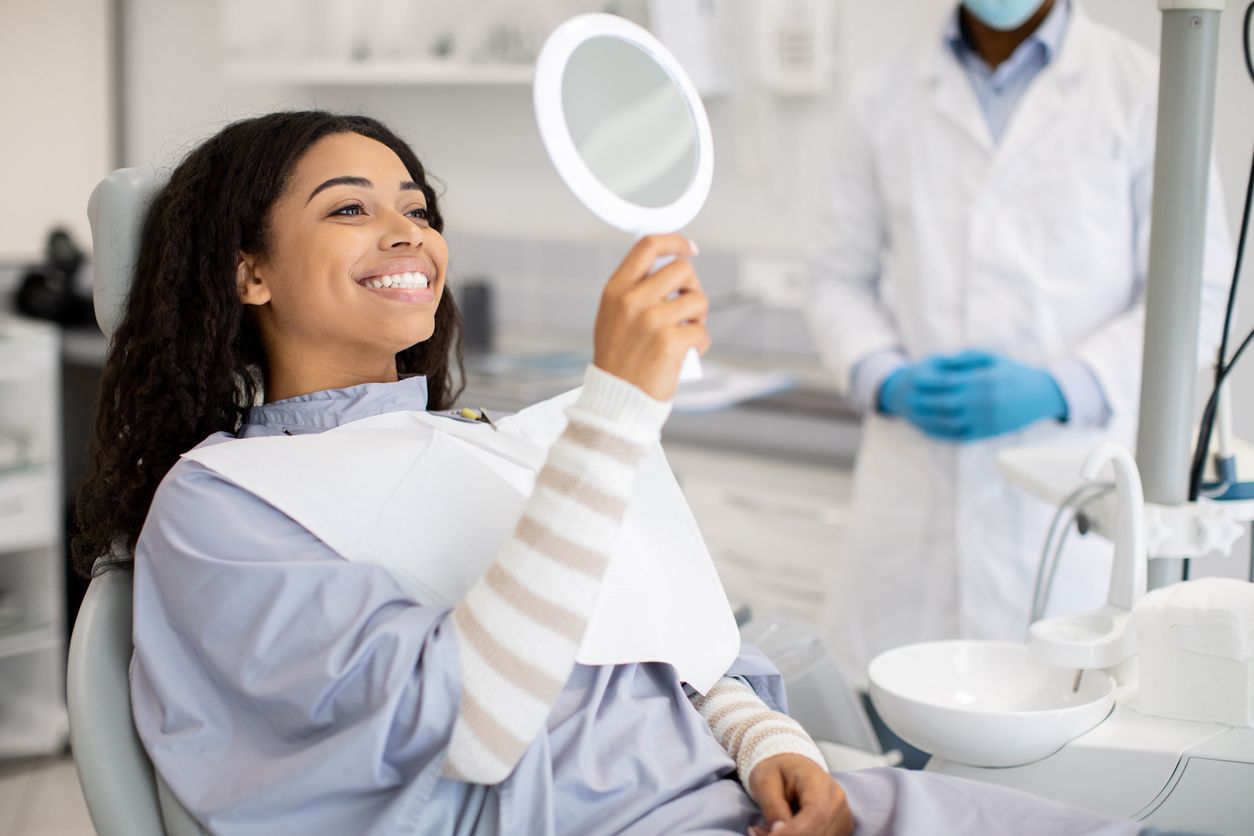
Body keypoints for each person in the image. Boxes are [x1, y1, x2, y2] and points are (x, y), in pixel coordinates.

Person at [74, 111, 1146, 835]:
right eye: (351, 207)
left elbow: (666, 635)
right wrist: (617, 407)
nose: (407, 230)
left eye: (417, 205)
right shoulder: (219, 505)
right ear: (247, 271)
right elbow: (473, 718)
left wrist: (769, 741)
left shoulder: (476, 437)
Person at [807, 0, 1232, 687]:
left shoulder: (1145, 89)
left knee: (1063, 739)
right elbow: (834, 277)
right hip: (909, 514)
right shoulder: (883, 95)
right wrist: (883, 376)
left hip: (1071, 504)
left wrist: (1066, 387)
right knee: (892, 758)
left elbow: (1198, 294)